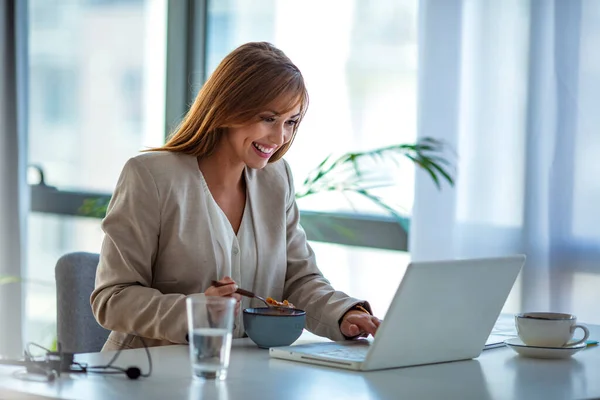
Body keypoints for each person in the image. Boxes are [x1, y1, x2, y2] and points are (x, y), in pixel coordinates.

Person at [91, 42, 381, 351]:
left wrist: (344, 313)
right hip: (147, 373)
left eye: (290, 122)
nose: (279, 137)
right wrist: (197, 311)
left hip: (241, 373)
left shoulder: (276, 179)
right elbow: (113, 297)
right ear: (229, 108)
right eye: (268, 118)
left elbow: (297, 280)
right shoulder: (151, 177)